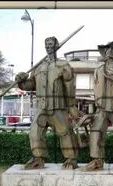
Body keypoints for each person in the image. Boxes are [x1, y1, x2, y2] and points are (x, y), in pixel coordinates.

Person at [15, 36, 79, 170]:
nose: (48, 46)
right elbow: (31, 84)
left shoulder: (64, 65)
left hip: (58, 106)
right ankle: (38, 158)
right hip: (42, 107)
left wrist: (71, 106)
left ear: (57, 45)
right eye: (46, 44)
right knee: (35, 132)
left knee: (65, 132)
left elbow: (70, 87)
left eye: (51, 44)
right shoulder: (39, 67)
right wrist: (20, 81)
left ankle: (71, 159)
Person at [82, 41, 113, 171]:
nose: (108, 52)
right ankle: (97, 160)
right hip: (102, 107)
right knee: (96, 132)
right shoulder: (98, 70)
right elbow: (95, 88)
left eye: (110, 49)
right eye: (105, 50)